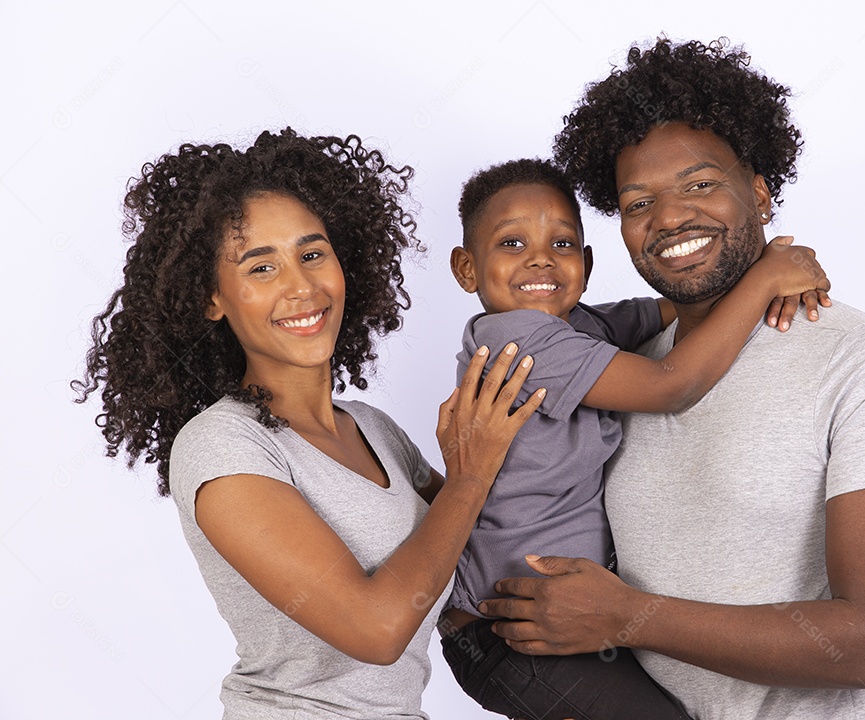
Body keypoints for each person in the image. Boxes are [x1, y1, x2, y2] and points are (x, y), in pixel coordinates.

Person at [479, 38, 865, 720]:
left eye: (700, 185)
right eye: (638, 203)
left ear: (759, 192)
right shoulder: (624, 364)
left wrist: (628, 618)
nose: (670, 217)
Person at [74, 128, 545, 719]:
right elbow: (377, 629)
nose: (300, 286)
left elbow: (475, 551)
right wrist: (471, 476)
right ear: (212, 297)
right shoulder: (221, 445)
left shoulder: (374, 430)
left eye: (312, 254)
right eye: (261, 267)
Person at [439, 158, 830, 720]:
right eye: (512, 242)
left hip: (554, 619)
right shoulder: (519, 339)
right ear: (465, 269)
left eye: (562, 244)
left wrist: (765, 268)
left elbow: (683, 307)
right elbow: (670, 384)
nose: (540, 258)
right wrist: (767, 279)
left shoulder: (578, 326)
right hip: (510, 632)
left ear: (586, 264)